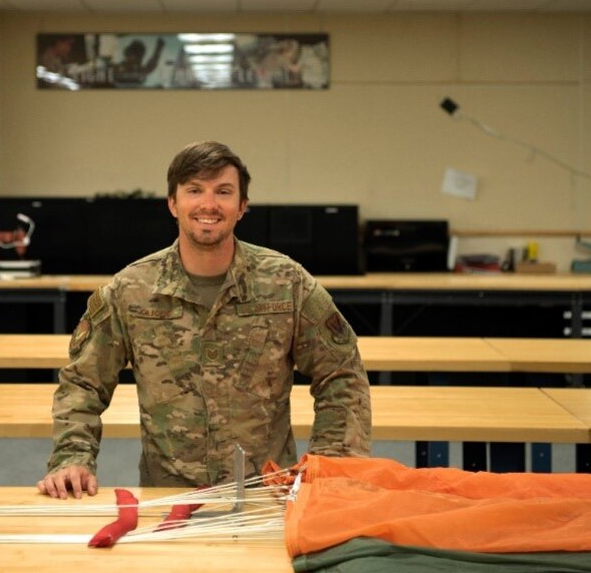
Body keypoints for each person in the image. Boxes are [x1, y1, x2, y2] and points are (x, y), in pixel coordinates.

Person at [37, 141, 372, 499]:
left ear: (242, 207)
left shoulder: (286, 283)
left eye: (223, 192)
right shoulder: (132, 290)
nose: (208, 205)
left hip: (265, 496)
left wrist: (331, 465)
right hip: (168, 500)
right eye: (194, 190)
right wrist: (73, 457)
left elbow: (342, 374)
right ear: (173, 204)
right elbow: (83, 383)